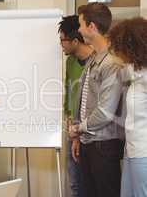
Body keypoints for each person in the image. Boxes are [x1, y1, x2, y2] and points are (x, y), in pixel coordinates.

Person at [69, 2, 124, 197]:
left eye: (81, 24)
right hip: (88, 143)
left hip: (104, 146)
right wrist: (78, 135)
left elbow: (105, 112)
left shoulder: (112, 62)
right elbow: (83, 98)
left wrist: (78, 128)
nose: (79, 29)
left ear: (92, 27)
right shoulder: (93, 58)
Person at [109, 17, 147, 197]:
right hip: (131, 150)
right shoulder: (136, 71)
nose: (118, 54)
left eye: (120, 48)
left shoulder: (144, 77)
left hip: (143, 152)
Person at [58, 15, 93, 197]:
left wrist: (79, 131)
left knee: (89, 184)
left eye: (63, 40)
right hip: (72, 130)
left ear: (75, 40)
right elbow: (68, 91)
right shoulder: (71, 61)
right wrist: (68, 118)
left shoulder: (96, 62)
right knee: (74, 184)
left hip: (90, 133)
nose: (61, 44)